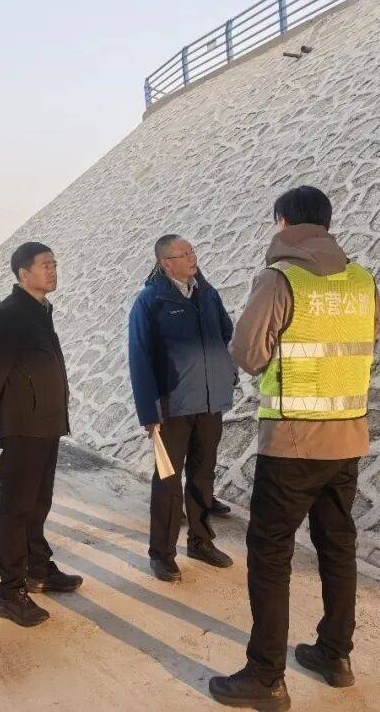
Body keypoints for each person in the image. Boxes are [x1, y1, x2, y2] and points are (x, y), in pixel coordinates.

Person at [208, 187, 380, 710]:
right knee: (337, 545)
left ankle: (265, 677)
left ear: (283, 222)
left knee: (270, 554)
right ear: (326, 223)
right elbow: (368, 340)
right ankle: (335, 654)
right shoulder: (362, 279)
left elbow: (248, 353)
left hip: (292, 441)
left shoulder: (280, 278)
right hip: (347, 436)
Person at [0, 242, 83, 627]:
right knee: (16, 507)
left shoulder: (39, 309)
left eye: (54, 264)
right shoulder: (10, 313)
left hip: (46, 421)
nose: (53, 270)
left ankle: (38, 568)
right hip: (23, 424)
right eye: (45, 265)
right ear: (24, 274)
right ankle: (11, 592)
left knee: (38, 501)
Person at [128, 234, 237, 583]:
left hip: (209, 402)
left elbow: (225, 331)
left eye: (192, 251)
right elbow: (139, 357)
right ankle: (162, 554)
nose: (192, 257)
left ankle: (201, 542)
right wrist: (149, 412)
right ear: (166, 263)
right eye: (183, 254)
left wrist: (224, 374)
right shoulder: (151, 301)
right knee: (168, 481)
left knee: (203, 475)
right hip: (171, 407)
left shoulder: (207, 293)